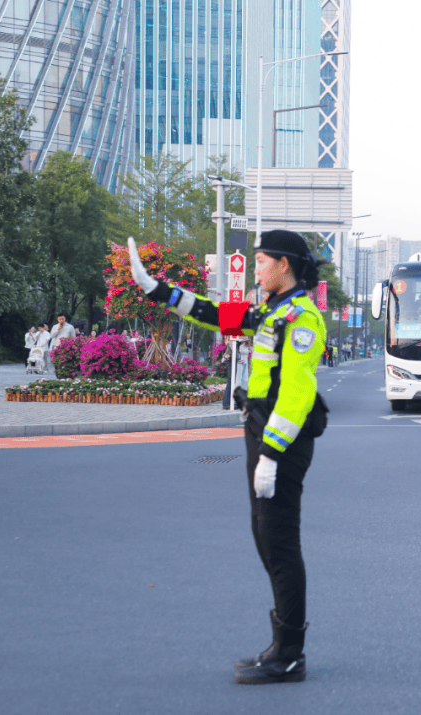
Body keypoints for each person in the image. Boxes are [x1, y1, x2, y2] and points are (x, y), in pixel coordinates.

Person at [126, 231, 326, 685]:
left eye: (260, 261)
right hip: (259, 427)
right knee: (264, 536)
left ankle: (290, 652)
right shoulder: (272, 311)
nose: (255, 269)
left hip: (283, 440)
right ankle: (282, 645)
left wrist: (272, 456)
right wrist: (156, 288)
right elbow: (216, 315)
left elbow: (297, 394)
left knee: (279, 542)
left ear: (283, 264)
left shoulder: (302, 317)